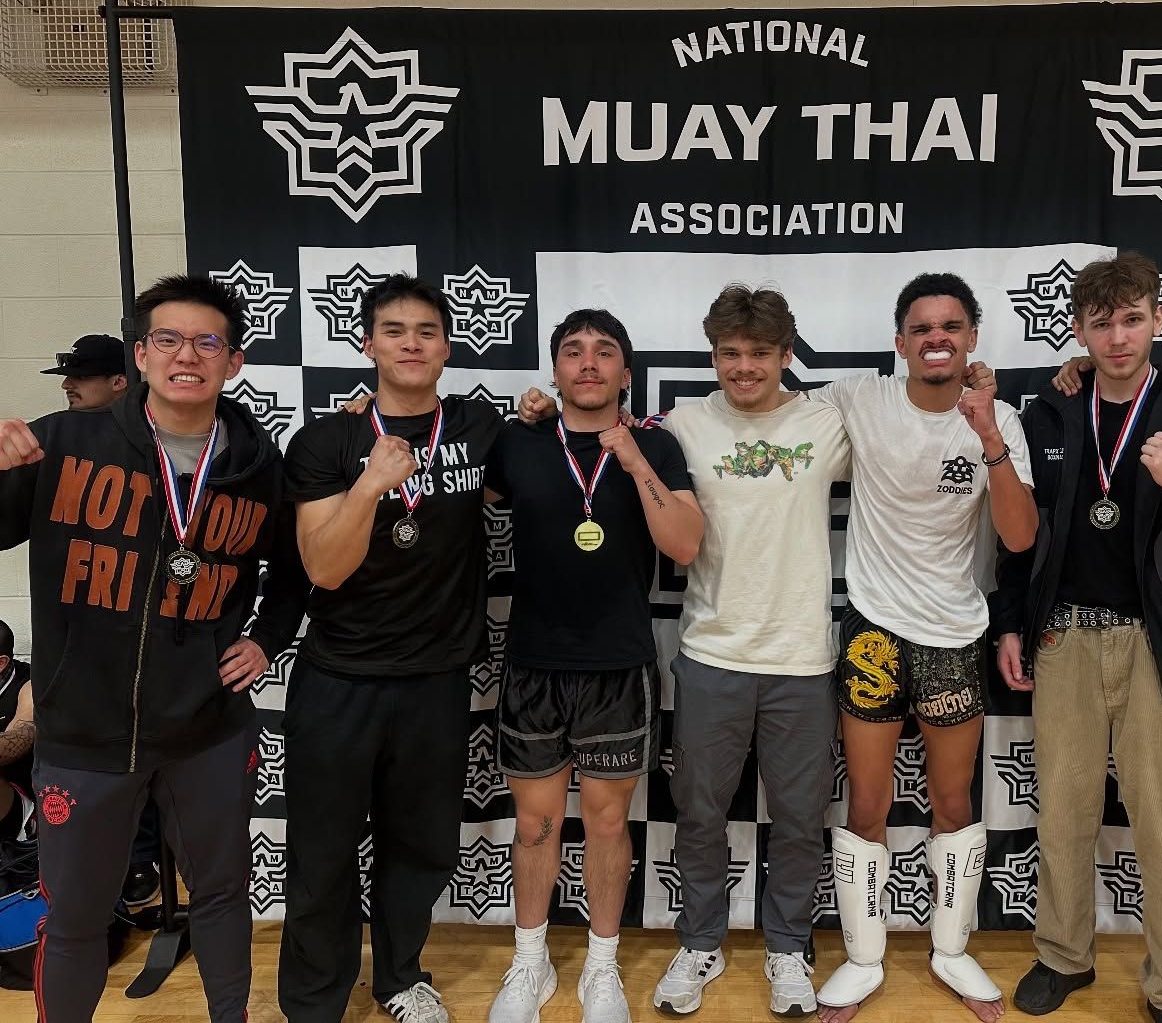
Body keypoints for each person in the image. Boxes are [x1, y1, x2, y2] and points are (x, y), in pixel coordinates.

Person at [0, 273, 309, 1023]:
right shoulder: (63, 441)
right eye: (168, 339)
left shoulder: (259, 467)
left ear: (233, 361)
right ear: (140, 355)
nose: (187, 355)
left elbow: (299, 570)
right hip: (84, 733)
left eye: (208, 342)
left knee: (222, 895)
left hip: (206, 726)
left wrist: (267, 637)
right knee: (74, 919)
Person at [991, 252, 1162, 1023]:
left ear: (1160, 320)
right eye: (1102, 323)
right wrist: (1012, 619)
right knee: (1064, 813)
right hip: (1065, 637)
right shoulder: (1048, 410)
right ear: (1077, 329)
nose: (1118, 337)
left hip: (1160, 646)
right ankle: (1063, 956)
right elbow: (1022, 539)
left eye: (1133, 318)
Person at [809, 273, 1037, 1023]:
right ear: (900, 341)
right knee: (868, 802)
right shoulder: (859, 399)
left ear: (972, 336)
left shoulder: (999, 417)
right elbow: (763, 417)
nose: (936, 337)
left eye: (951, 325)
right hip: (874, 631)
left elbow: (1019, 536)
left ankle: (950, 947)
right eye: (921, 327)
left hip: (954, 634)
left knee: (950, 800)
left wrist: (989, 435)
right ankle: (866, 957)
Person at [280, 273, 504, 1023]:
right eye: (396, 331)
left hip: (436, 678)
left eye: (427, 332)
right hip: (340, 677)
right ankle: (314, 1001)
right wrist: (372, 484)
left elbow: (536, 471)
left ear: (447, 346)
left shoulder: (478, 427)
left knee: (421, 845)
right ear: (367, 342)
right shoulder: (326, 440)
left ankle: (401, 977)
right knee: (323, 853)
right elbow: (323, 567)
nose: (412, 343)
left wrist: (539, 411)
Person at [486, 309, 702, 1023]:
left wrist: (636, 462)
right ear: (552, 371)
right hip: (532, 662)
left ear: (625, 373)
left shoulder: (657, 447)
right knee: (537, 825)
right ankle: (531, 960)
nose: (587, 363)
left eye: (603, 352)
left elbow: (686, 545)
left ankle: (602, 967)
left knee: (608, 825)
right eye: (572, 351)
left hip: (619, 662)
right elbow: (469, 490)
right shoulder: (516, 440)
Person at [645, 284, 851, 1018]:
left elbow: (921, 412)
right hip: (710, 652)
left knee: (799, 817)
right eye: (730, 353)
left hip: (802, 657)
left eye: (759, 352)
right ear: (714, 355)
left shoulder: (827, 421)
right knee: (699, 813)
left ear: (785, 354)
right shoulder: (681, 424)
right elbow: (596, 436)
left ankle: (789, 946)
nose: (744, 366)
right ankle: (700, 939)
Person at [0, 618, 35, 842]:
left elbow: (21, 735)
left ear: (1, 663)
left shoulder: (29, 683)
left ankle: (28, 826)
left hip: (16, 795)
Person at [41, 334, 128, 411]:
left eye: (81, 377)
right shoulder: (53, 426)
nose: (65, 385)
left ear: (118, 382)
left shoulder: (137, 427)